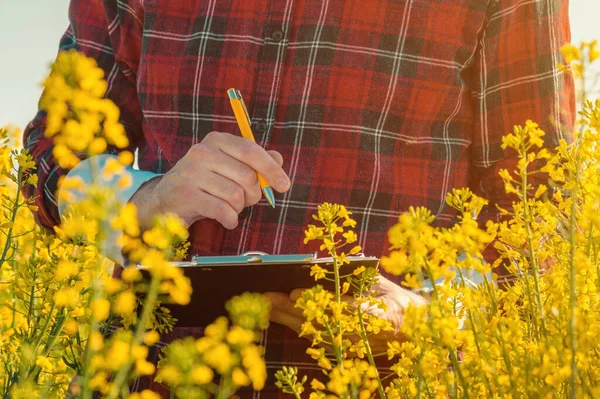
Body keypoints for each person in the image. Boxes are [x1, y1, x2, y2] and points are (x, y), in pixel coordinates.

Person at [23, 0, 574, 396]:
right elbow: (49, 152)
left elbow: (538, 194)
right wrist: (148, 201)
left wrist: (428, 315)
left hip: (379, 377)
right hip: (153, 373)